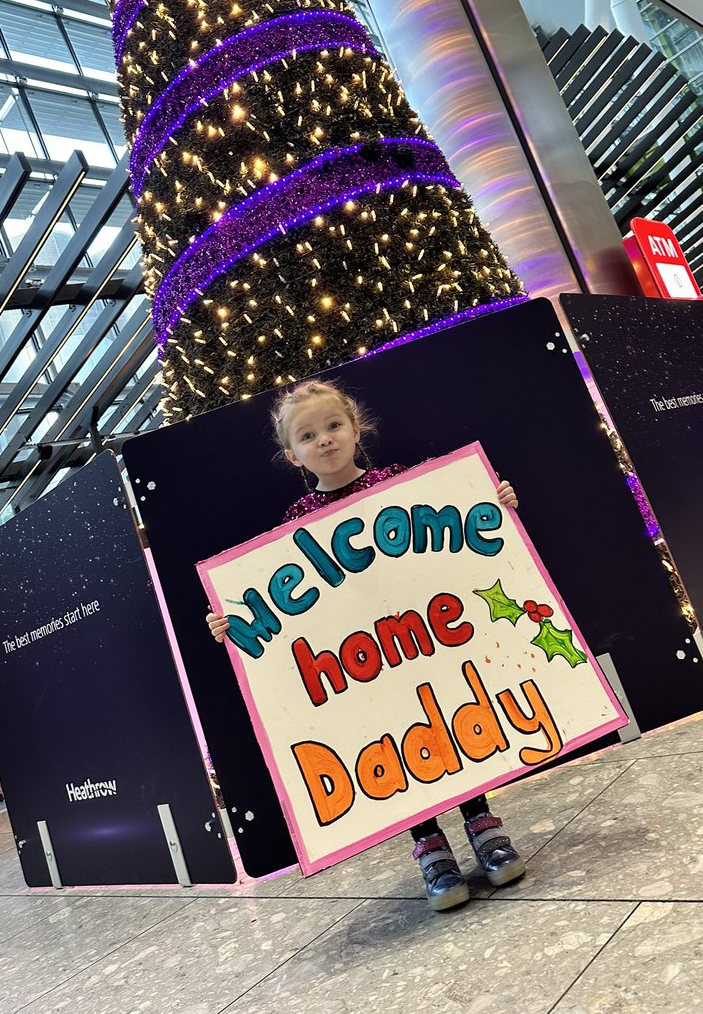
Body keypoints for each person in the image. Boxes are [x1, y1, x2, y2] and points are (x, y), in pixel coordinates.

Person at [206, 378, 526, 912]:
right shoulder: (296, 522)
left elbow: (459, 537)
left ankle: (481, 822)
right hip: (363, 659)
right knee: (396, 737)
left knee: (449, 721)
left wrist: (495, 506)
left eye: (333, 426)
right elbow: (282, 607)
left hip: (424, 637)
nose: (325, 440)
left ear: (356, 428)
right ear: (293, 455)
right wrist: (232, 622)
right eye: (309, 435)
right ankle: (430, 846)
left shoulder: (396, 481)